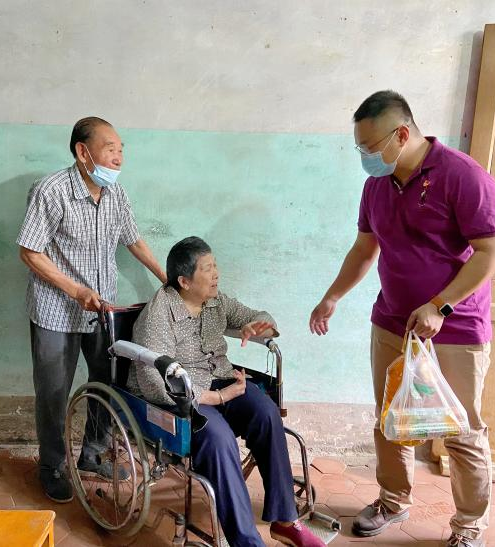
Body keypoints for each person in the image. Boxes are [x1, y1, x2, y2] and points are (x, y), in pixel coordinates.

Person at [309, 91, 495, 547]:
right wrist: (332, 296)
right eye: (360, 148)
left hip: (455, 328)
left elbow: (493, 252)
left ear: (402, 134)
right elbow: (365, 248)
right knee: (391, 418)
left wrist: (441, 305)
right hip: (392, 322)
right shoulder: (377, 186)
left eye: (370, 146)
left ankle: (468, 526)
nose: (365, 157)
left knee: (461, 428)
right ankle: (392, 500)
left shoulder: (463, 176)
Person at [129, 236, 325, 547]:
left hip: (221, 378)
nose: (216, 274)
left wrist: (257, 325)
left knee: (266, 413)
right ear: (184, 281)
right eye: (207, 269)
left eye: (215, 265)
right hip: (181, 394)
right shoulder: (159, 315)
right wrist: (216, 398)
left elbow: (261, 316)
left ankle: (286, 521)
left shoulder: (215, 302)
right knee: (219, 439)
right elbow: (154, 381)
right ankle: (247, 542)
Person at [16, 116, 167, 503]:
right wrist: (75, 290)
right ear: (83, 152)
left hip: (103, 311)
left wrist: (167, 279)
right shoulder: (51, 191)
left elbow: (133, 240)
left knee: (109, 382)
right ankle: (52, 465)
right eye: (110, 149)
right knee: (54, 391)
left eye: (121, 150)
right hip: (55, 311)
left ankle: (92, 454)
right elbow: (30, 251)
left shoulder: (115, 194)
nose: (118, 158)